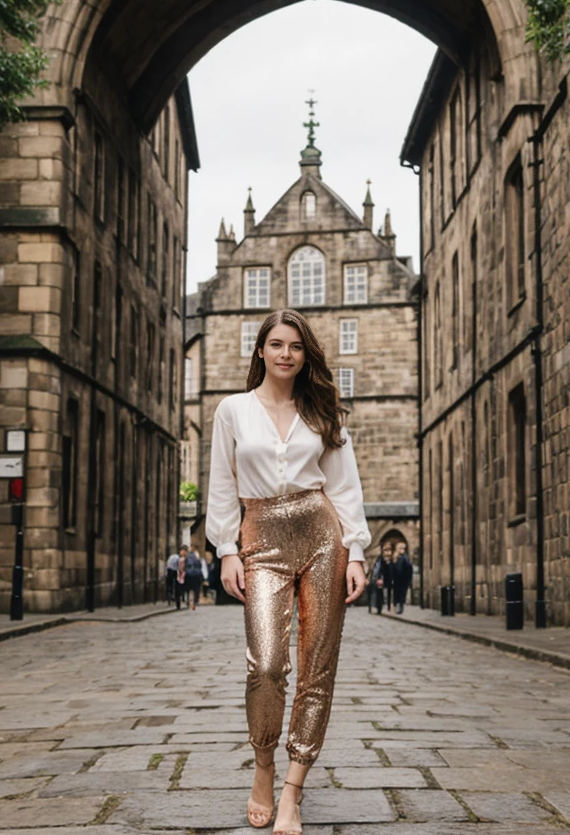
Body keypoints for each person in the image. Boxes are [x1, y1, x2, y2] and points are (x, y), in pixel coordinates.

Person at [206, 309, 370, 835]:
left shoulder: (323, 411)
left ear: (305, 355)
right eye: (275, 344)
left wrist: (359, 551)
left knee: (318, 666)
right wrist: (226, 548)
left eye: (295, 347)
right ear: (260, 351)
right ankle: (263, 767)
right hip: (261, 535)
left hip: (323, 534)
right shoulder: (232, 410)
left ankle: (294, 791)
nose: (285, 354)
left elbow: (344, 486)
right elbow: (222, 483)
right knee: (268, 665)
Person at [368, 543, 393, 615]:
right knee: (376, 594)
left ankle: (381, 608)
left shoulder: (385, 560)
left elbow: (385, 571)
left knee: (380, 595)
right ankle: (374, 607)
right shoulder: (378, 559)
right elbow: (373, 570)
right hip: (376, 579)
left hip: (382, 580)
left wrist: (382, 579)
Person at [391, 540, 414, 614]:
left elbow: (408, 569)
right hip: (396, 580)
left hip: (403, 580)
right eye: (400, 548)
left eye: (403, 549)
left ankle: (400, 608)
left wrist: (408, 580)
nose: (402, 550)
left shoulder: (405, 558)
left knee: (401, 595)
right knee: (396, 594)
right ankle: (395, 607)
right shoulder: (395, 558)